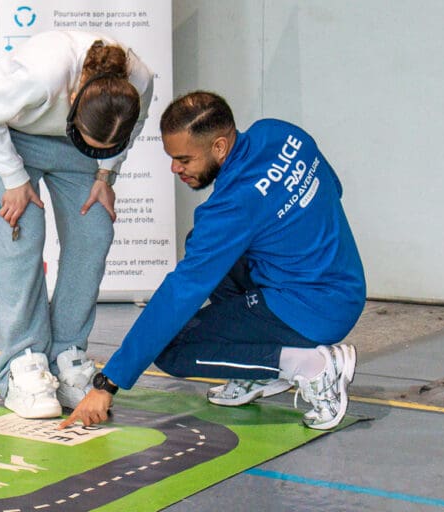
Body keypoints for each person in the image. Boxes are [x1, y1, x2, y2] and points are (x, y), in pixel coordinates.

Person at [60, 91, 366, 431]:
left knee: (172, 348)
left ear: (219, 147)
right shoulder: (280, 133)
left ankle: (312, 366)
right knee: (203, 244)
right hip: (346, 284)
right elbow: (333, 188)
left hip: (313, 313)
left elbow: (179, 295)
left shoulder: (232, 207)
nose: (175, 168)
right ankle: (256, 370)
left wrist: (109, 382)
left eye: (184, 159)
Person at [0, 31, 153, 419]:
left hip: (81, 144)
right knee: (22, 231)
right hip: (12, 136)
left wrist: (105, 172)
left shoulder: (140, 80)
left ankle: (67, 352)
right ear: (73, 96)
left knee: (95, 231)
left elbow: (131, 128)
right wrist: (13, 178)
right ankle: (22, 361)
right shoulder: (41, 75)